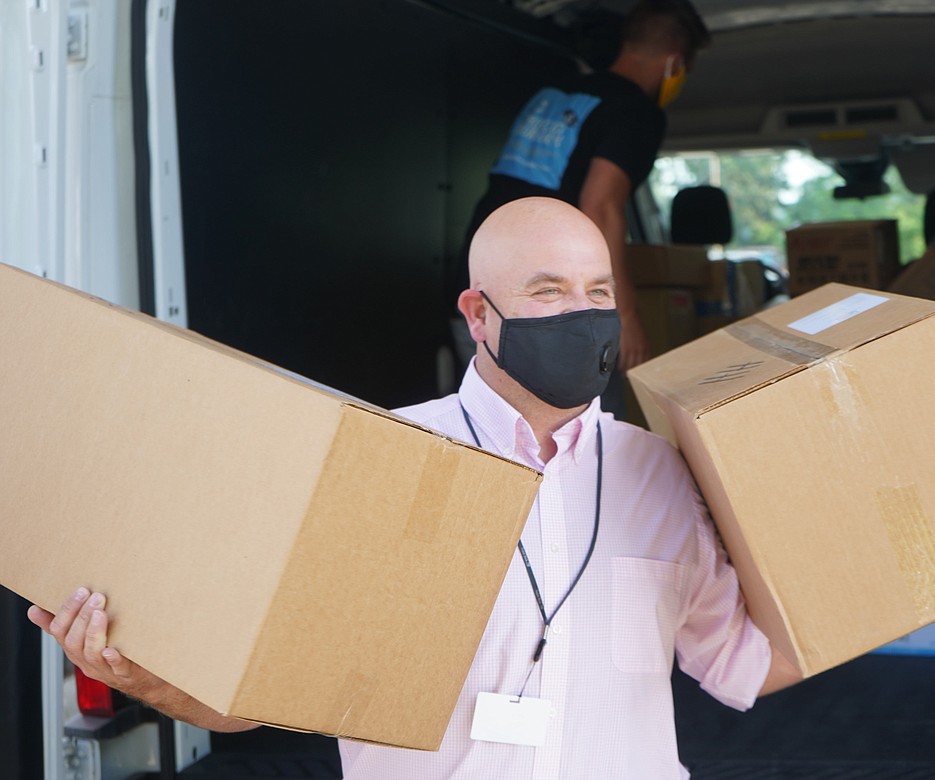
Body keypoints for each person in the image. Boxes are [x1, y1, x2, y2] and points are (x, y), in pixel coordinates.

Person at [31, 198, 799, 779]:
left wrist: (895, 575)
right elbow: (250, 702)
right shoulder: (381, 463)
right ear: (479, 314)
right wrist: (139, 678)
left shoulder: (661, 473)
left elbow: (743, 661)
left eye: (599, 293)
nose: (584, 315)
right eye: (549, 292)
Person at [449, 0, 711, 379]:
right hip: (546, 307)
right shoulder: (636, 112)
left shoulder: (551, 94)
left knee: (484, 424)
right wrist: (626, 314)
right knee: (577, 430)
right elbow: (601, 206)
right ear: (675, 62)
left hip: (477, 284)